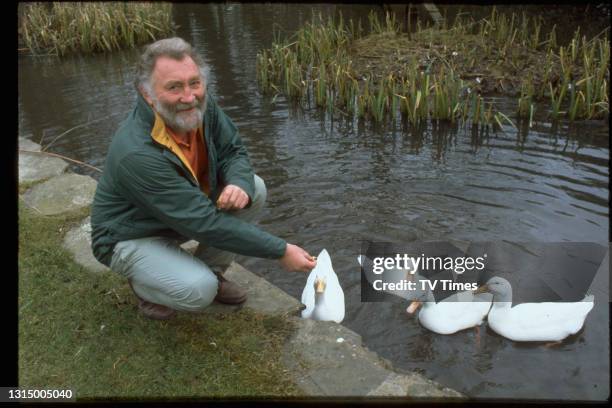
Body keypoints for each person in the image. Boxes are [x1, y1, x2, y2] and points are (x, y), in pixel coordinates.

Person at [91, 37, 316, 320]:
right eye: (174, 87)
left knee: (253, 188)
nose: (189, 96)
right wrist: (281, 251)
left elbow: (233, 149)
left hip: (176, 215)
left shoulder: (201, 107)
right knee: (199, 291)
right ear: (147, 94)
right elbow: (203, 223)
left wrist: (238, 183)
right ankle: (145, 285)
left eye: (194, 83)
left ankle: (211, 269)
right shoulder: (136, 153)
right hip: (129, 235)